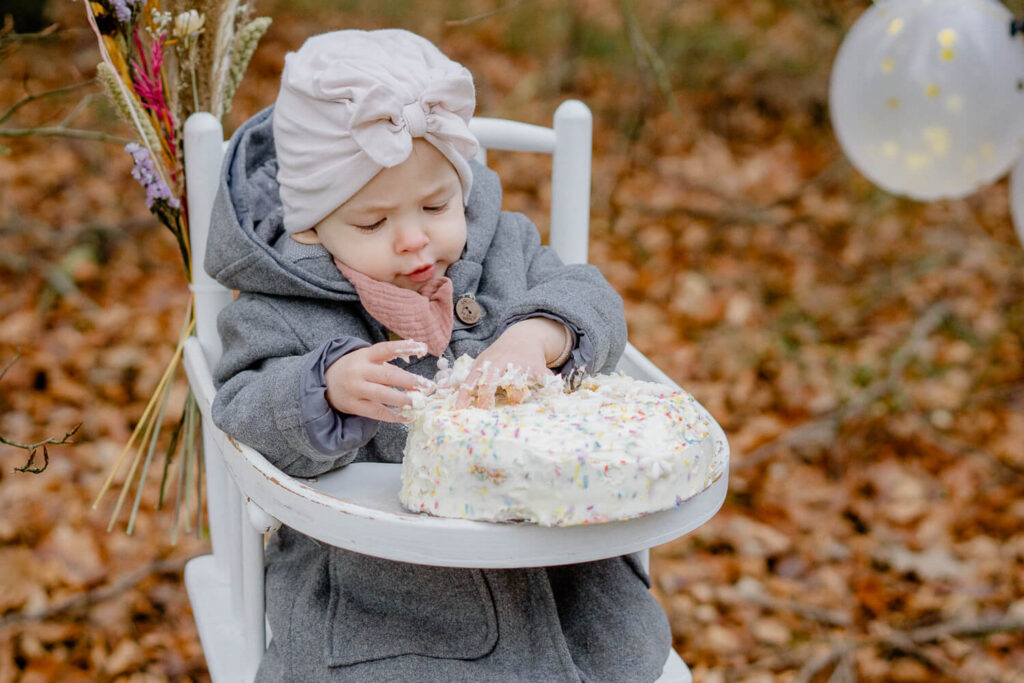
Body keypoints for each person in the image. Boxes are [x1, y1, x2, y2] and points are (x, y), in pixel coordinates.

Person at [206, 28, 672, 682]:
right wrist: (325, 388)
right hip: (384, 594)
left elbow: (586, 292)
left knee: (622, 653)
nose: (414, 239)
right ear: (312, 226)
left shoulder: (504, 244)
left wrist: (539, 332)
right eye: (373, 223)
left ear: (463, 184)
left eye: (436, 203)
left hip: (555, 563)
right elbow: (244, 404)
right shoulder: (281, 303)